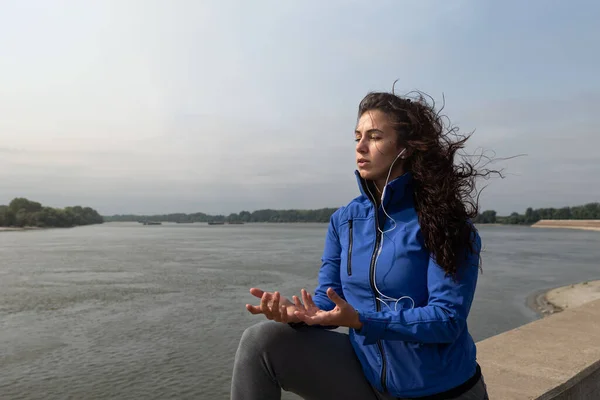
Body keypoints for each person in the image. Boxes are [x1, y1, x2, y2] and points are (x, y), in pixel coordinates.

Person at [230, 88, 491, 400]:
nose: (361, 147)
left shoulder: (443, 221)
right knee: (261, 341)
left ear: (405, 147)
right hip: (367, 382)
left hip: (442, 392)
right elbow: (329, 302)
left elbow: (447, 320)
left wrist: (361, 320)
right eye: (358, 137)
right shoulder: (345, 221)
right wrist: (299, 314)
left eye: (375, 137)